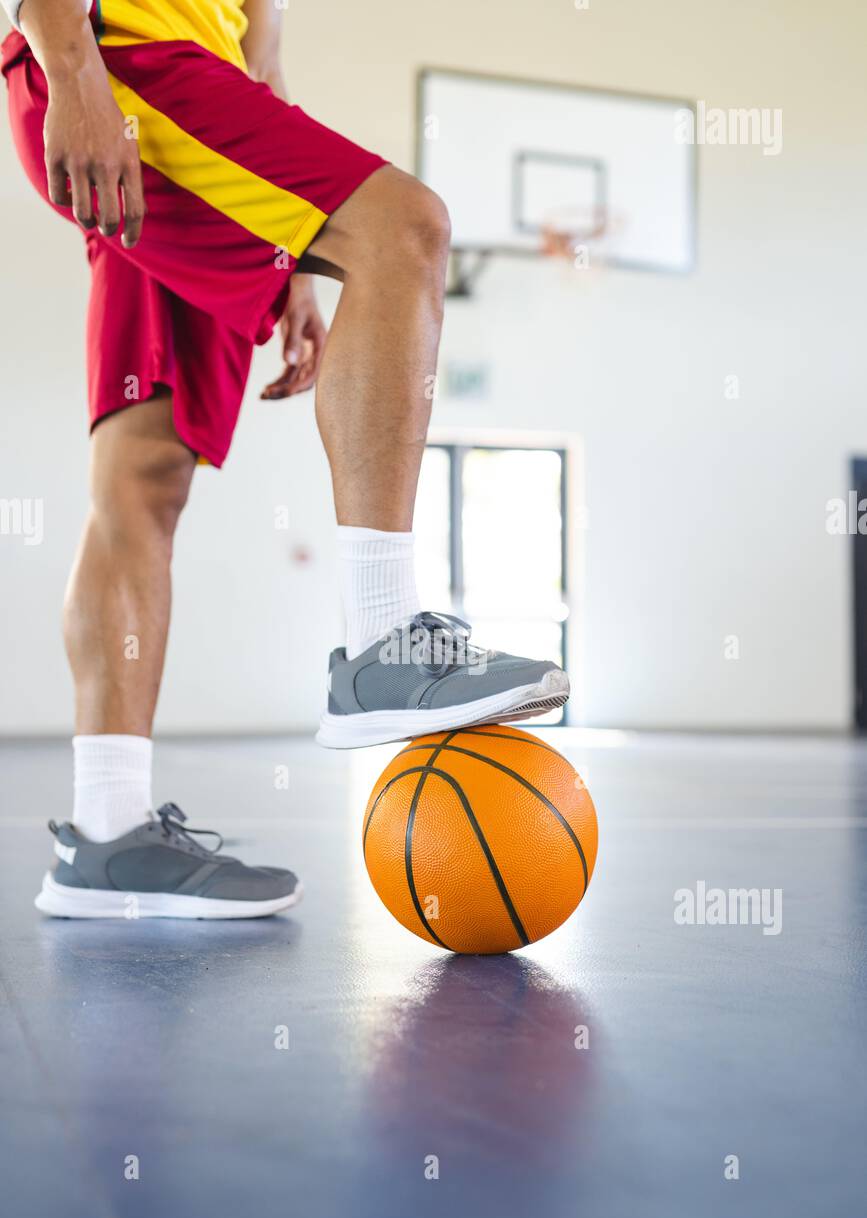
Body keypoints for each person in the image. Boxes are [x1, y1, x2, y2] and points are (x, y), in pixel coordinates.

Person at [2, 0, 569, 919]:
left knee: (143, 473)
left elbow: (260, 63)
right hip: (121, 70)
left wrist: (296, 268)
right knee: (404, 227)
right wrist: (73, 73)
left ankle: (104, 835)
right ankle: (383, 639)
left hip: (161, 87)